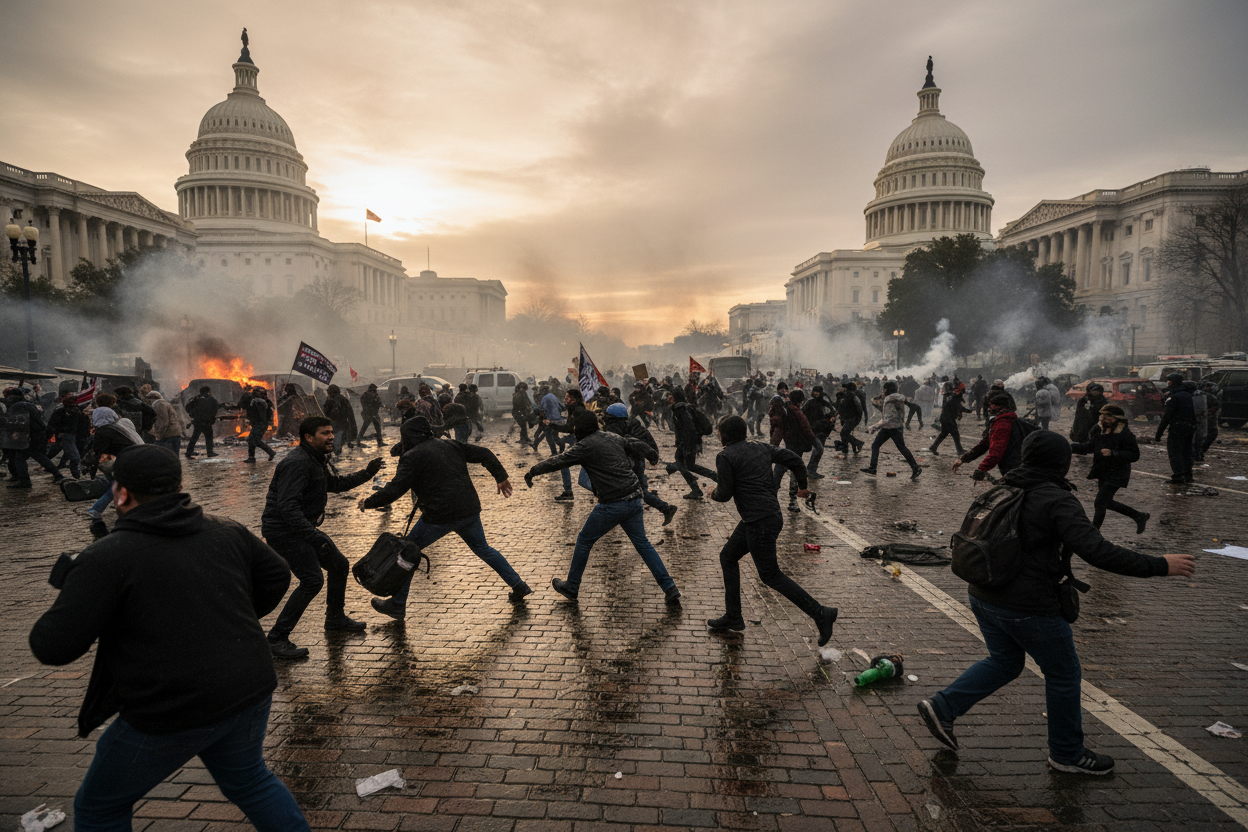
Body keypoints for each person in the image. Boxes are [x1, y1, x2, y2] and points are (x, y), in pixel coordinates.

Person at [30, 445, 308, 830]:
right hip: (248, 684)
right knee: (250, 781)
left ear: (121, 493)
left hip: (170, 706)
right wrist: (227, 619)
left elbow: (52, 645)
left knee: (100, 807)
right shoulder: (225, 529)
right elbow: (277, 575)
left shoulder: (107, 556)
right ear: (178, 485)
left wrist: (76, 586)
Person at [917, 431, 1195, 775]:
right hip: (1028, 606)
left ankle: (943, 707)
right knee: (1063, 675)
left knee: (1005, 662)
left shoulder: (1002, 486)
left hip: (984, 596)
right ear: (1060, 462)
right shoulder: (1056, 499)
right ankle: (1067, 753)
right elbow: (1097, 551)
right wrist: (1159, 565)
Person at [360, 416, 530, 617]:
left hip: (439, 516)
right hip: (468, 510)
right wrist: (500, 476)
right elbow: (484, 453)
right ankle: (518, 585)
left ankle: (397, 605)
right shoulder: (449, 444)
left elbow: (394, 489)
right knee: (484, 549)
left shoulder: (412, 457)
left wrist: (369, 502)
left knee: (406, 554)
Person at [705, 415, 838, 644]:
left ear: (724, 434)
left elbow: (724, 494)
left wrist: (712, 492)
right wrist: (802, 486)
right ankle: (733, 616)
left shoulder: (725, 456)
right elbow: (794, 459)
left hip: (759, 522)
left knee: (770, 575)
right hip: (766, 517)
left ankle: (821, 613)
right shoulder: (760, 447)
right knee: (728, 556)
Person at [526, 410, 681, 604]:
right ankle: (669, 587)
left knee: (584, 539)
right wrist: (651, 454)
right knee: (643, 544)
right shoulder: (612, 436)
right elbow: (635, 443)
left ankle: (572, 587)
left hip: (612, 503)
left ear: (580, 428)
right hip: (634, 498)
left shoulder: (584, 446)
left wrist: (533, 471)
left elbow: (558, 461)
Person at [261, 416, 382, 659]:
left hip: (301, 528)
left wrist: (368, 473)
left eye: (331, 432)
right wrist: (315, 537)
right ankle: (276, 638)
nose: (331, 437)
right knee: (312, 580)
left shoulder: (314, 459)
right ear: (308, 437)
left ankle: (335, 618)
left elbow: (335, 484)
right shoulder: (297, 463)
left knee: (339, 565)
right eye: (325, 433)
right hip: (285, 531)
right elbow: (287, 507)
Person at [1071, 404, 1149, 533]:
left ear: (1115, 419)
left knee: (1100, 502)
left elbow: (1134, 455)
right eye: (1102, 416)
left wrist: (1114, 453)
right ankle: (1138, 516)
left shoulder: (1125, 434)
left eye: (1107, 417)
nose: (1103, 419)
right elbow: (1090, 446)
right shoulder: (1098, 430)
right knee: (1107, 502)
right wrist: (1071, 447)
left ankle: (1092, 531)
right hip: (1102, 470)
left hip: (1117, 473)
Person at [603, 402, 678, 526]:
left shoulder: (617, 426)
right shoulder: (632, 424)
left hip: (634, 462)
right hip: (638, 459)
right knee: (639, 490)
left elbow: (617, 443)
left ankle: (664, 509)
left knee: (635, 490)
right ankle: (665, 508)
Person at [3, 386, 63, 489]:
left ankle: (24, 481)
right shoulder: (29, 405)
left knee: (20, 457)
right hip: (37, 434)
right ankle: (57, 475)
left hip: (28, 436)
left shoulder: (17, 406)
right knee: (38, 456)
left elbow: (16, 423)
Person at [860, 381, 921, 480]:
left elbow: (888, 418)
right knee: (899, 448)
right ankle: (873, 468)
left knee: (880, 446)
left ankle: (873, 468)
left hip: (890, 428)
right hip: (896, 426)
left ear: (886, 389)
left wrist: (873, 427)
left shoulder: (889, 401)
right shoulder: (899, 398)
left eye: (884, 389)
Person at [667, 388, 719, 499]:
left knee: (684, 464)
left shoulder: (681, 409)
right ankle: (700, 484)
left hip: (688, 443)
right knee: (687, 465)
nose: (668, 398)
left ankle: (707, 481)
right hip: (687, 442)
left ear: (675, 397)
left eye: (670, 395)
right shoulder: (679, 408)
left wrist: (687, 445)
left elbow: (689, 428)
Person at [954, 394, 1021, 481]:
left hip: (1013, 466)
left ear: (999, 406)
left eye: (992, 405)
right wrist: (963, 459)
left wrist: (982, 468)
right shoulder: (1005, 420)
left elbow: (996, 451)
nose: (989, 408)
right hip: (1014, 465)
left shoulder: (1003, 424)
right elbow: (985, 444)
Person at [772, 390, 817, 510]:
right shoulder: (796, 411)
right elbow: (806, 427)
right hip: (796, 446)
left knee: (780, 470)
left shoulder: (784, 411)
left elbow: (778, 430)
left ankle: (772, 496)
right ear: (801, 401)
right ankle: (792, 501)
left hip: (788, 445)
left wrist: (774, 445)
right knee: (794, 472)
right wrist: (813, 441)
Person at [1155, 372, 1196, 484]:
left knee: (1175, 452)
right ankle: (1188, 475)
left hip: (1177, 428)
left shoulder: (1174, 397)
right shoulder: (1188, 395)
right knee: (1186, 452)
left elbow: (1167, 416)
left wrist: (1158, 434)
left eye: (1169, 381)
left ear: (1171, 382)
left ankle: (1178, 476)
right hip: (1190, 427)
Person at [538, 385, 575, 501]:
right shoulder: (553, 396)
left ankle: (554, 451)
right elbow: (562, 407)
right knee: (555, 436)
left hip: (550, 420)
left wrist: (542, 418)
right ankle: (561, 446)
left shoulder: (544, 399)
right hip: (559, 420)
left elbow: (542, 410)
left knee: (549, 436)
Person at [47, 395, 90, 479]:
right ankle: (74, 474)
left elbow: (83, 424)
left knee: (74, 455)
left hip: (76, 437)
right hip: (67, 436)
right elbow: (53, 424)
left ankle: (73, 473)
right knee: (74, 457)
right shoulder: (61, 411)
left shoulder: (77, 412)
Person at [929, 382, 971, 456]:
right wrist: (968, 411)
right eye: (963, 389)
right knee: (955, 434)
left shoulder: (952, 395)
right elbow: (959, 407)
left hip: (946, 417)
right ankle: (959, 450)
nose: (964, 390)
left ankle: (933, 447)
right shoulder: (956, 396)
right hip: (948, 418)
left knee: (944, 434)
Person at [801, 386, 834, 479]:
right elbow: (801, 414)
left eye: (817, 392)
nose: (815, 393)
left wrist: (830, 421)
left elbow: (831, 414)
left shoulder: (825, 404)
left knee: (818, 451)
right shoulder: (809, 403)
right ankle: (810, 470)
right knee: (819, 449)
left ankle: (812, 470)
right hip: (812, 430)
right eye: (813, 391)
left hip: (823, 431)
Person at [146, 389, 184, 455]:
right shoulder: (165, 403)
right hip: (174, 433)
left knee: (165, 456)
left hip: (168, 434)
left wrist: (158, 434)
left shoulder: (158, 404)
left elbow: (163, 421)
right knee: (173, 457)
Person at [243, 386, 277, 463]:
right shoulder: (264, 401)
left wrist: (255, 420)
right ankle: (269, 453)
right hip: (261, 424)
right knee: (255, 440)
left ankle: (252, 457)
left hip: (260, 424)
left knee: (252, 440)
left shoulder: (258, 401)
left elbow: (259, 414)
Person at [185, 385, 219, 458]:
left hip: (197, 421)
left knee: (194, 437)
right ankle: (210, 452)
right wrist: (211, 417)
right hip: (207, 422)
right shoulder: (211, 399)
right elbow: (215, 408)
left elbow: (187, 407)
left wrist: (192, 414)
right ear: (208, 391)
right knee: (209, 437)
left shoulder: (196, 398)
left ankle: (189, 452)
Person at [322, 385, 356, 456]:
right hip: (340, 424)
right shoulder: (342, 399)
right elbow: (350, 413)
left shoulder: (332, 400)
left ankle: (336, 453)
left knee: (336, 440)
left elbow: (326, 412)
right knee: (338, 440)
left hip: (336, 424)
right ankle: (337, 452)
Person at [835, 382, 865, 457]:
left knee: (843, 433)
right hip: (853, 418)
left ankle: (858, 443)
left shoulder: (849, 396)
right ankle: (846, 449)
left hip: (852, 418)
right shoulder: (852, 395)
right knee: (845, 433)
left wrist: (839, 395)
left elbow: (841, 406)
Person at [1200, 381, 1221, 460]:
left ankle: (1200, 452)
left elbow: (1216, 409)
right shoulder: (1202, 396)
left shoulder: (1212, 397)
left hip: (1208, 422)